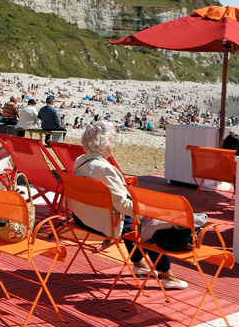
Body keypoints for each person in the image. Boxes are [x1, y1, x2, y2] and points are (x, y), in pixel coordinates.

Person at [67, 121, 188, 290]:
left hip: (83, 217)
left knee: (131, 222)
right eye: (112, 141)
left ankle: (138, 263)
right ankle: (168, 276)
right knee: (148, 226)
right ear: (102, 146)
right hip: (103, 223)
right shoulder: (104, 169)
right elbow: (123, 205)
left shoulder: (80, 161)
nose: (114, 145)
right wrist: (150, 212)